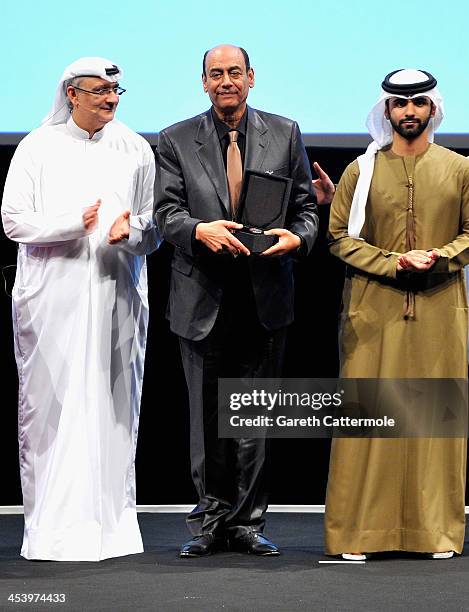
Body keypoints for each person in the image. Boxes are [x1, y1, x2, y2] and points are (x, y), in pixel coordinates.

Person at [155, 44, 326, 557]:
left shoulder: (286, 131)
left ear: (251, 77)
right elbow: (165, 213)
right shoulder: (174, 138)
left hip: (265, 292)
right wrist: (197, 229)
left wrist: (300, 238)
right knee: (206, 420)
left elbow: (304, 208)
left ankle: (249, 522)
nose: (225, 80)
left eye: (234, 72)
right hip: (200, 296)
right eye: (215, 74)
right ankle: (209, 522)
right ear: (203, 83)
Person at [1, 57, 159, 561]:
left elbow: (154, 226)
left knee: (115, 411)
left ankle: (113, 531)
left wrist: (130, 230)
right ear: (71, 94)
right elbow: (13, 222)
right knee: (51, 410)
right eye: (99, 92)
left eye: (116, 92)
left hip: (118, 297)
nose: (111, 100)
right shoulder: (37, 147)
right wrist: (74, 223)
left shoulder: (135, 148)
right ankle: (50, 532)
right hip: (53, 301)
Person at [325, 69, 469, 560]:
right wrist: (393, 262)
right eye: (400, 105)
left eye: (419, 104)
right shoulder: (360, 172)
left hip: (440, 307)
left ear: (433, 110)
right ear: (386, 111)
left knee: (435, 420)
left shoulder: (459, 168)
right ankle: (359, 534)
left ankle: (434, 533)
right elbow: (338, 236)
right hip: (373, 309)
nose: (409, 112)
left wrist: (440, 256)